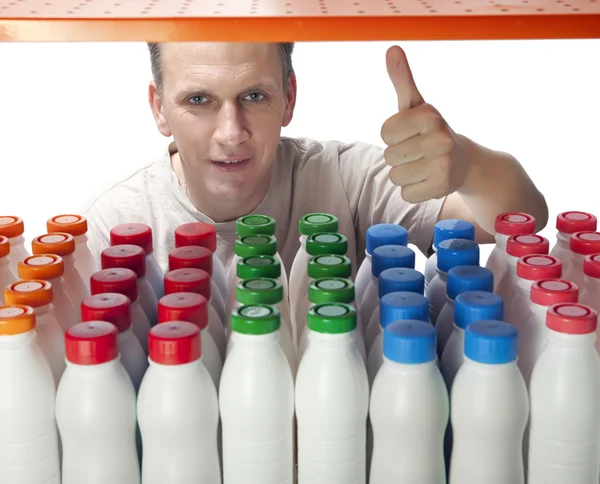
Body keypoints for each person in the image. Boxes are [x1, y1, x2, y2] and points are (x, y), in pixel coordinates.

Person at [81, 42, 548, 277]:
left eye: (254, 95)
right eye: (199, 99)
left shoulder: (343, 178)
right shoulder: (115, 223)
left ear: (288, 97)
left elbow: (521, 218)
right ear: (159, 108)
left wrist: (469, 165)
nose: (231, 132)